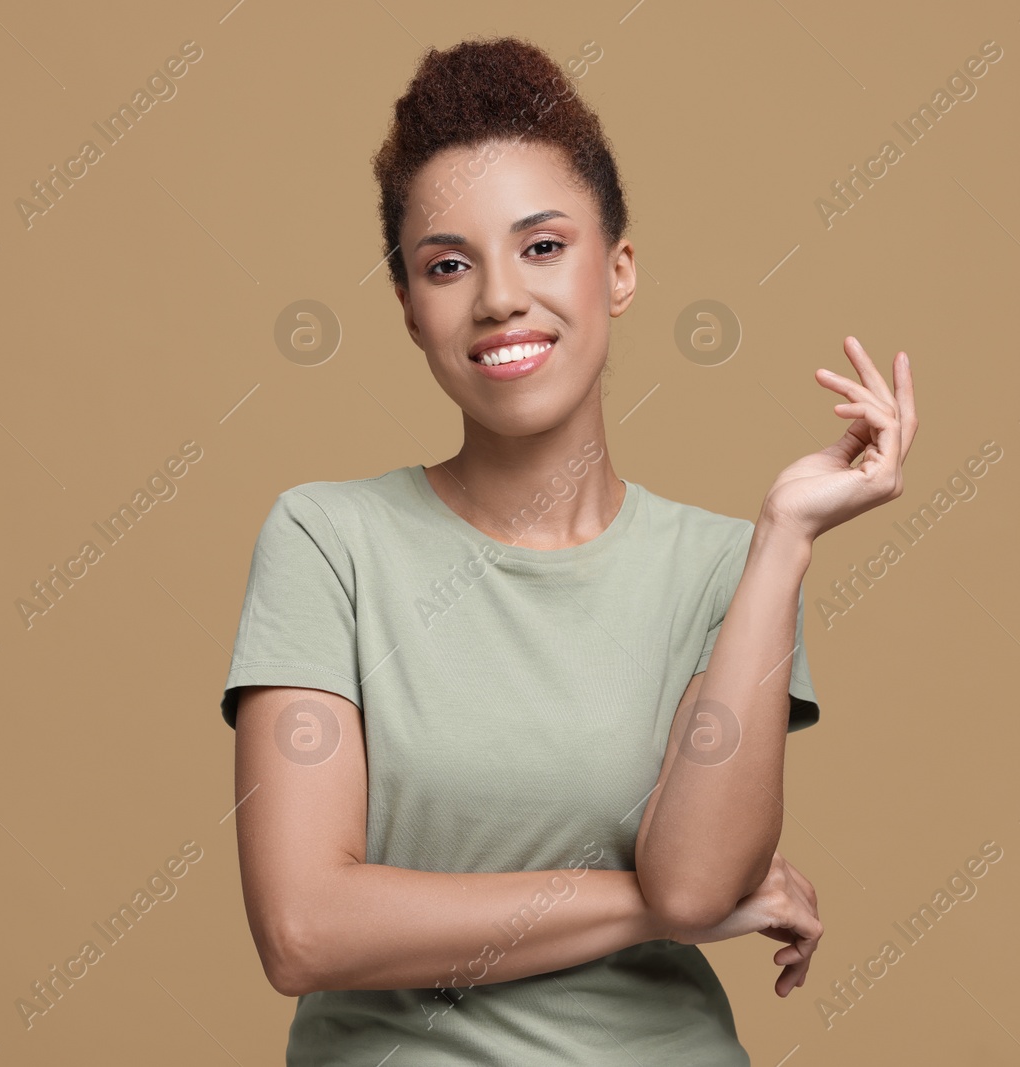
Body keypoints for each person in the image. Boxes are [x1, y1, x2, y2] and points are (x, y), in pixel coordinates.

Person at [220, 35, 915, 1066]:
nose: (499, 296)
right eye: (447, 265)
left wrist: (783, 539)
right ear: (410, 308)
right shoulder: (329, 542)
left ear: (618, 268)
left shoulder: (726, 567)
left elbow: (695, 880)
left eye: (542, 246)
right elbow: (305, 928)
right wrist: (645, 910)